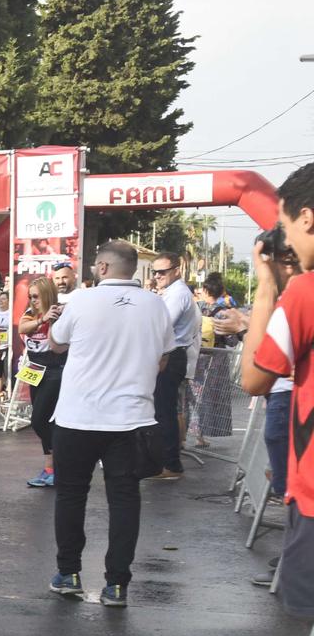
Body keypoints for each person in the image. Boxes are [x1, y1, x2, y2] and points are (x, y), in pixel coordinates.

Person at [239, 169, 314, 636]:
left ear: (307, 218)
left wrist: (268, 285)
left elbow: (254, 375)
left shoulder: (305, 293)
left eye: (285, 223)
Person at [44, 240, 172, 607]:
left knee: (71, 494)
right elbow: (163, 360)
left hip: (77, 417)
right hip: (131, 419)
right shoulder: (156, 304)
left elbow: (55, 343)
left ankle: (68, 573)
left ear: (102, 268)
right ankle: (117, 585)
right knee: (124, 500)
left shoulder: (82, 300)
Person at [149, 253, 200, 479]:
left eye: (162, 271)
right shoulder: (172, 292)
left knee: (164, 411)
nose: (158, 276)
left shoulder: (178, 293)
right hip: (169, 355)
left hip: (171, 356)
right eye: (155, 272)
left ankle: (170, 465)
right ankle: (165, 462)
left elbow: (162, 325)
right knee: (163, 411)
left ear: (176, 270)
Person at [20, 276, 67, 488]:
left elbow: (61, 344)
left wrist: (51, 319)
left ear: (47, 294)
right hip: (35, 370)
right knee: (44, 422)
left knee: (39, 420)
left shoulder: (61, 314)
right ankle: (50, 469)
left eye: (36, 296)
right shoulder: (31, 314)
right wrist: (41, 319)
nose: (32, 300)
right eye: (30, 296)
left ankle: (60, 465)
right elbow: (22, 328)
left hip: (54, 370)